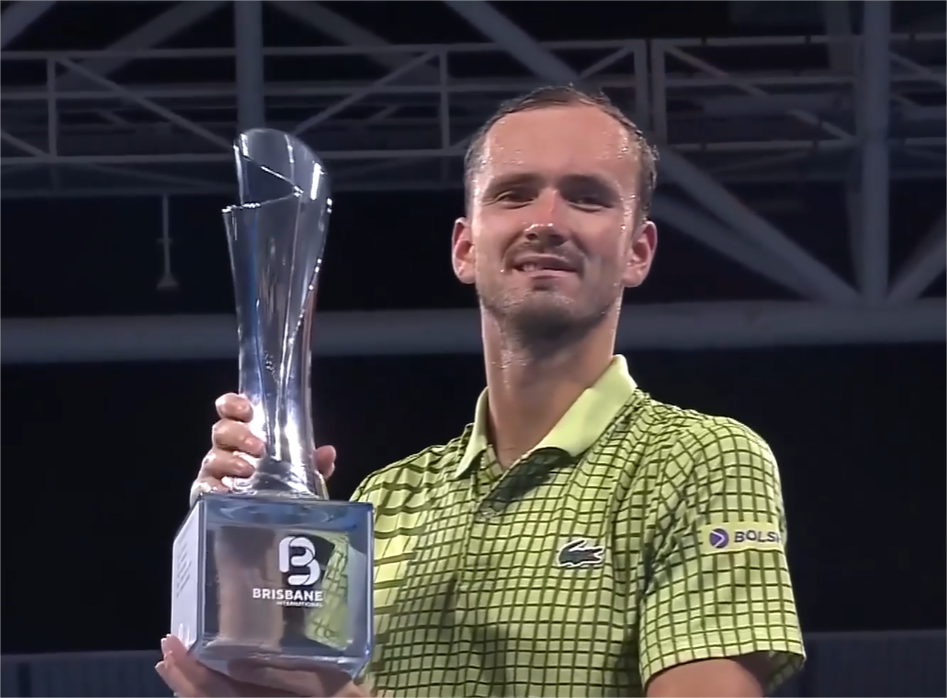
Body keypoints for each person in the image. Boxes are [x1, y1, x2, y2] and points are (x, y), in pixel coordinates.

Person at [157, 85, 805, 698]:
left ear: (637, 250)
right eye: (514, 194)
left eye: (586, 197)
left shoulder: (697, 461)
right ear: (464, 247)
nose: (546, 222)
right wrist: (244, 554)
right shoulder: (385, 501)